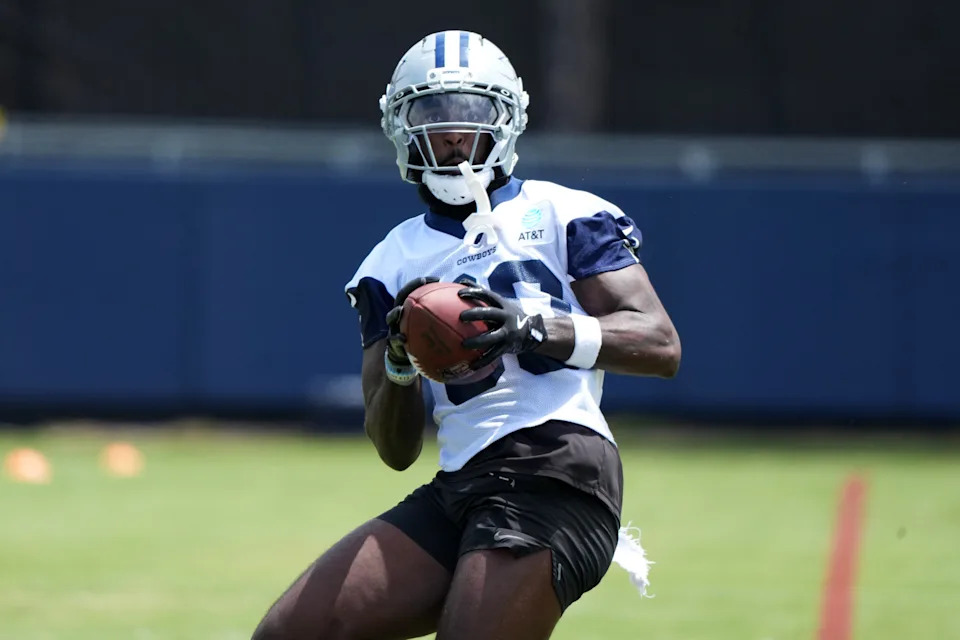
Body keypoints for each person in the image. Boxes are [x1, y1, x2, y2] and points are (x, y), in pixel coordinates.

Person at [252, 30, 680, 640]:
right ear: (403, 127)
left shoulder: (566, 211)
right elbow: (395, 450)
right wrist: (402, 361)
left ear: (504, 120)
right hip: (461, 482)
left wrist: (530, 326)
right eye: (432, 115)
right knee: (292, 633)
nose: (452, 135)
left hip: (559, 466)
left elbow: (660, 345)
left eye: (470, 113)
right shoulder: (390, 261)